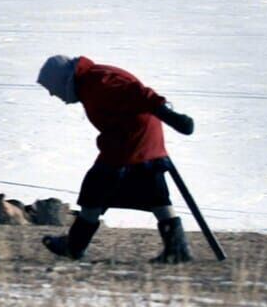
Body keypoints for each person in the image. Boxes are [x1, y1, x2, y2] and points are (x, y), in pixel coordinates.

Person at [36, 55, 196, 264]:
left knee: (96, 186)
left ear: (61, 80)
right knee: (152, 189)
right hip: (136, 136)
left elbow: (140, 94)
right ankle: (176, 249)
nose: (51, 93)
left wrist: (174, 118)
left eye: (51, 87)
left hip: (131, 138)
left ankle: (74, 246)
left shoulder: (97, 82)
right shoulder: (89, 82)